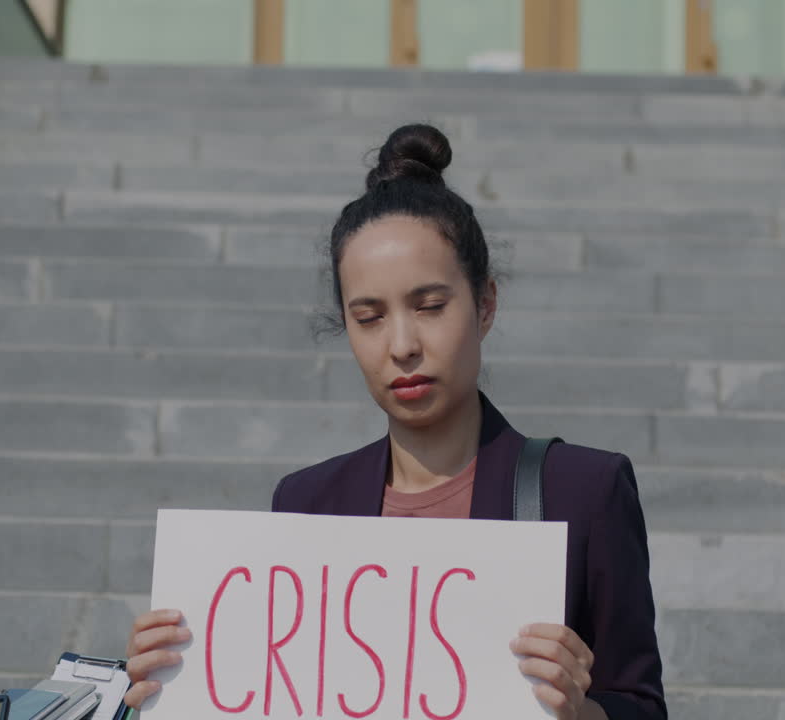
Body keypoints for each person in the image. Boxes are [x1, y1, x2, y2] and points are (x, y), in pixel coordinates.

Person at [123, 124, 667, 720]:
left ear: (485, 304)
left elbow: (641, 706)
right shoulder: (307, 501)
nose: (402, 345)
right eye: (370, 317)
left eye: (430, 307)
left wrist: (580, 712)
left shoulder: (585, 490)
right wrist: (176, 676)